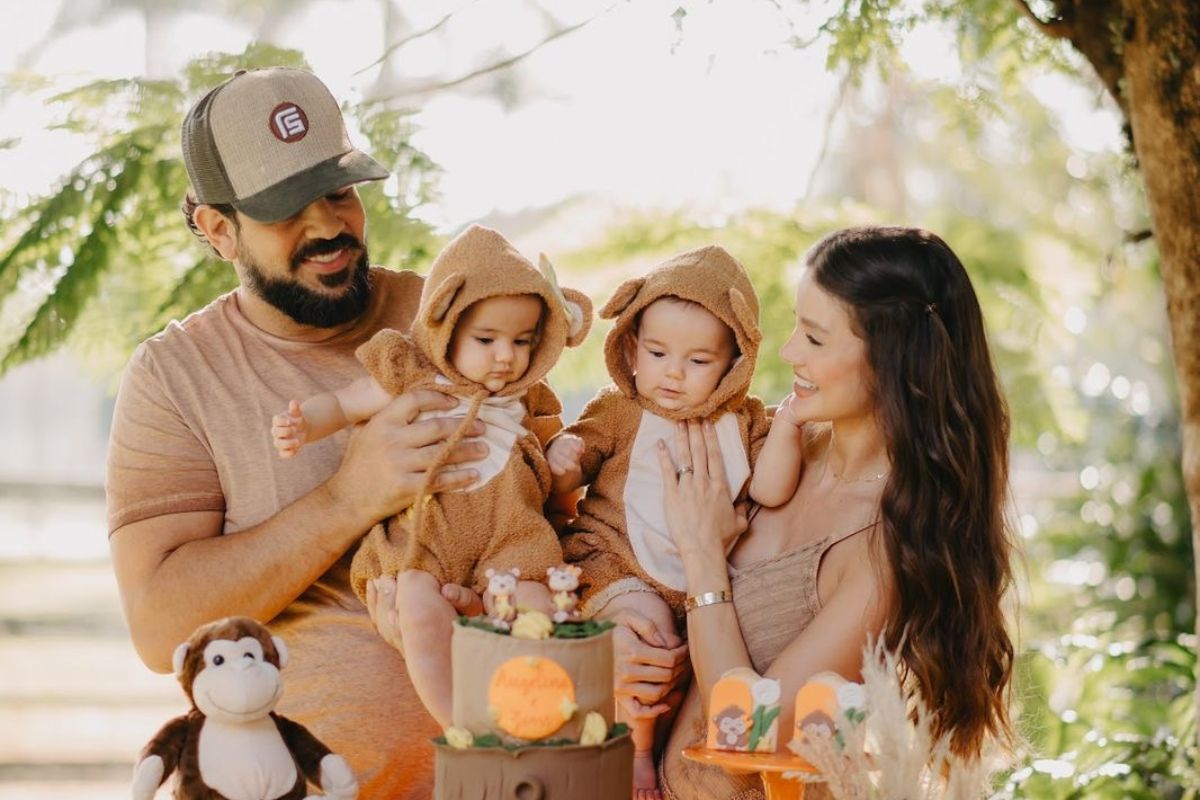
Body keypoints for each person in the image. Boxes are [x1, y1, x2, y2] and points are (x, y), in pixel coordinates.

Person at [105, 66, 487, 798]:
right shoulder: (175, 376)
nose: (327, 228)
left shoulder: (453, 318)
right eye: (286, 209)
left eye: (338, 192)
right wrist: (351, 496)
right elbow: (161, 629)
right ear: (218, 230)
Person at [650, 226, 1016, 798]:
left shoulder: (892, 544)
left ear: (892, 360)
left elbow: (749, 736)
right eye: (797, 325)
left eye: (816, 339)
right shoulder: (781, 443)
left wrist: (702, 559)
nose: (789, 350)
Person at [271, 223, 593, 726]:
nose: (506, 356)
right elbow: (344, 402)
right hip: (429, 535)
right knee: (417, 610)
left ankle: (532, 719)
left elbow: (552, 476)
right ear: (446, 328)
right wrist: (305, 422)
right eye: (486, 339)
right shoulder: (416, 373)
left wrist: (564, 463)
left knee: (535, 606)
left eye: (523, 341)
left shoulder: (524, 396)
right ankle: (459, 723)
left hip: (511, 532)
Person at [545, 245, 783, 798]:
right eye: (656, 353)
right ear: (630, 347)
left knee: (693, 653)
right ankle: (637, 752)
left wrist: (791, 425)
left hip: (703, 584)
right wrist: (565, 459)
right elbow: (577, 458)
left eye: (699, 361)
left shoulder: (745, 421)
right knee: (648, 631)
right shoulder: (621, 409)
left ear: (735, 363)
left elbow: (774, 482)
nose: (673, 374)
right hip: (615, 562)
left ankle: (658, 739)